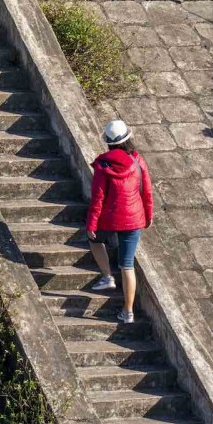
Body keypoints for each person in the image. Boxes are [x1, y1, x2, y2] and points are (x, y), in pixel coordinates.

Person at [85, 119, 153, 324]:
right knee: (127, 265)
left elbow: (97, 197)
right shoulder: (137, 161)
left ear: (108, 142)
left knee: (95, 241)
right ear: (128, 139)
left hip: (109, 218)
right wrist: (148, 216)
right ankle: (128, 312)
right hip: (134, 219)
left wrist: (91, 224)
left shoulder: (103, 164)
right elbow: (146, 191)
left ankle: (107, 277)